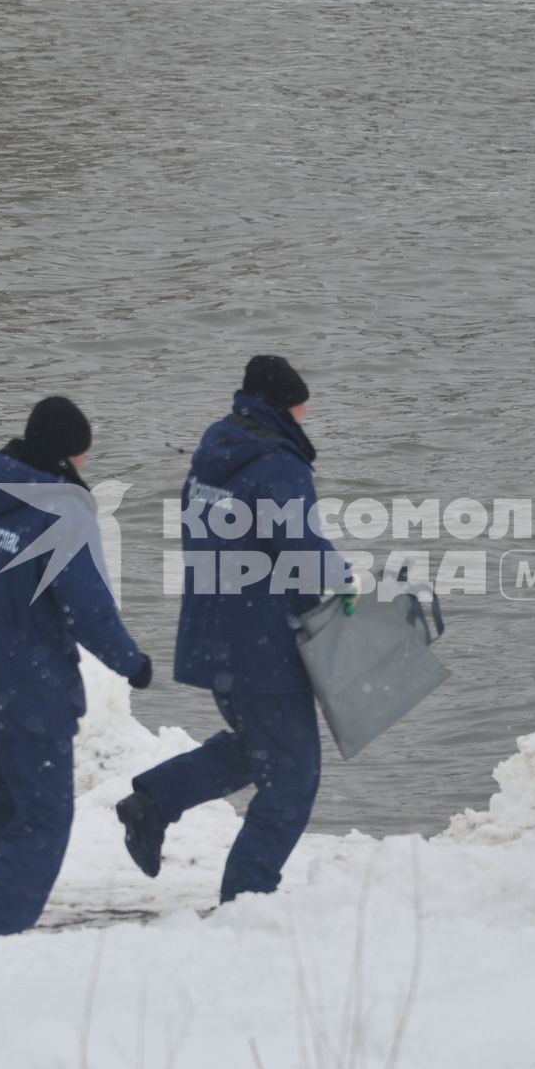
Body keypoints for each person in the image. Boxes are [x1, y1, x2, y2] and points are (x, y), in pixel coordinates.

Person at [0, 395, 152, 941]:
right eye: (83, 459)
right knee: (43, 816)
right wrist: (132, 664)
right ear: (66, 458)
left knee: (2, 797)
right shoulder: (60, 512)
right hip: (27, 691)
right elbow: (88, 609)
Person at [116, 355, 350, 903]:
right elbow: (302, 552)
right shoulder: (278, 465)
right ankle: (247, 902)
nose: (307, 411)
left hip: (213, 636)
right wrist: (348, 587)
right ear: (284, 405)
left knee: (257, 750)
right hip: (263, 645)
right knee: (291, 779)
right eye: (301, 403)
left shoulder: (212, 458)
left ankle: (153, 801)